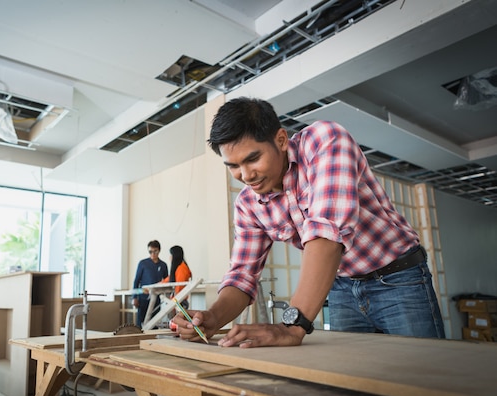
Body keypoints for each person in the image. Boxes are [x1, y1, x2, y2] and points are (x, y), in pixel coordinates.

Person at [173, 97, 445, 348]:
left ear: (280, 140)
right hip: (340, 287)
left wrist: (293, 326)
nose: (245, 175)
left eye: (253, 158)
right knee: (353, 385)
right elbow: (242, 275)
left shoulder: (324, 140)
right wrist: (212, 318)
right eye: (233, 166)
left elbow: (326, 233)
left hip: (398, 278)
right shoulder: (248, 204)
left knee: (424, 377)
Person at [132, 240, 168, 327]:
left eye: (155, 251)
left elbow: (166, 281)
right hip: (143, 298)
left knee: (154, 323)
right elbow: (136, 281)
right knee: (141, 323)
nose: (153, 254)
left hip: (156, 298)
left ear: (159, 250)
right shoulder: (143, 263)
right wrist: (134, 297)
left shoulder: (163, 265)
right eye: (150, 251)